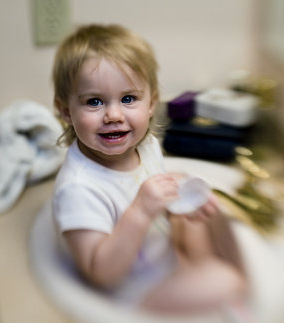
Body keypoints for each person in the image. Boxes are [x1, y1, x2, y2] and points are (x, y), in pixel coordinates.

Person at [52, 24, 246, 313]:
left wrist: (178, 201)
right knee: (230, 281)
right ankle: (213, 286)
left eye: (128, 99)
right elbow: (99, 273)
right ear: (66, 111)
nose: (114, 115)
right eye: (94, 102)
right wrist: (141, 211)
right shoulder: (78, 190)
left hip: (160, 253)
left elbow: (153, 191)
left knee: (191, 195)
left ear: (152, 103)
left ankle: (196, 267)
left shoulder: (145, 145)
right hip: (134, 290)